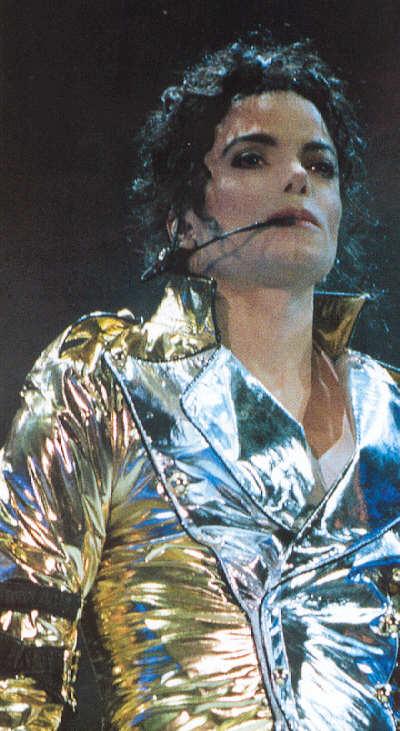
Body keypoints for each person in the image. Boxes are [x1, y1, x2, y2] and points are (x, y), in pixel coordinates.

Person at [1, 34, 399, 731]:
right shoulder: (107, 377)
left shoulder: (390, 410)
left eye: (320, 164)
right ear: (184, 221)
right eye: (252, 157)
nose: (297, 178)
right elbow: (16, 650)